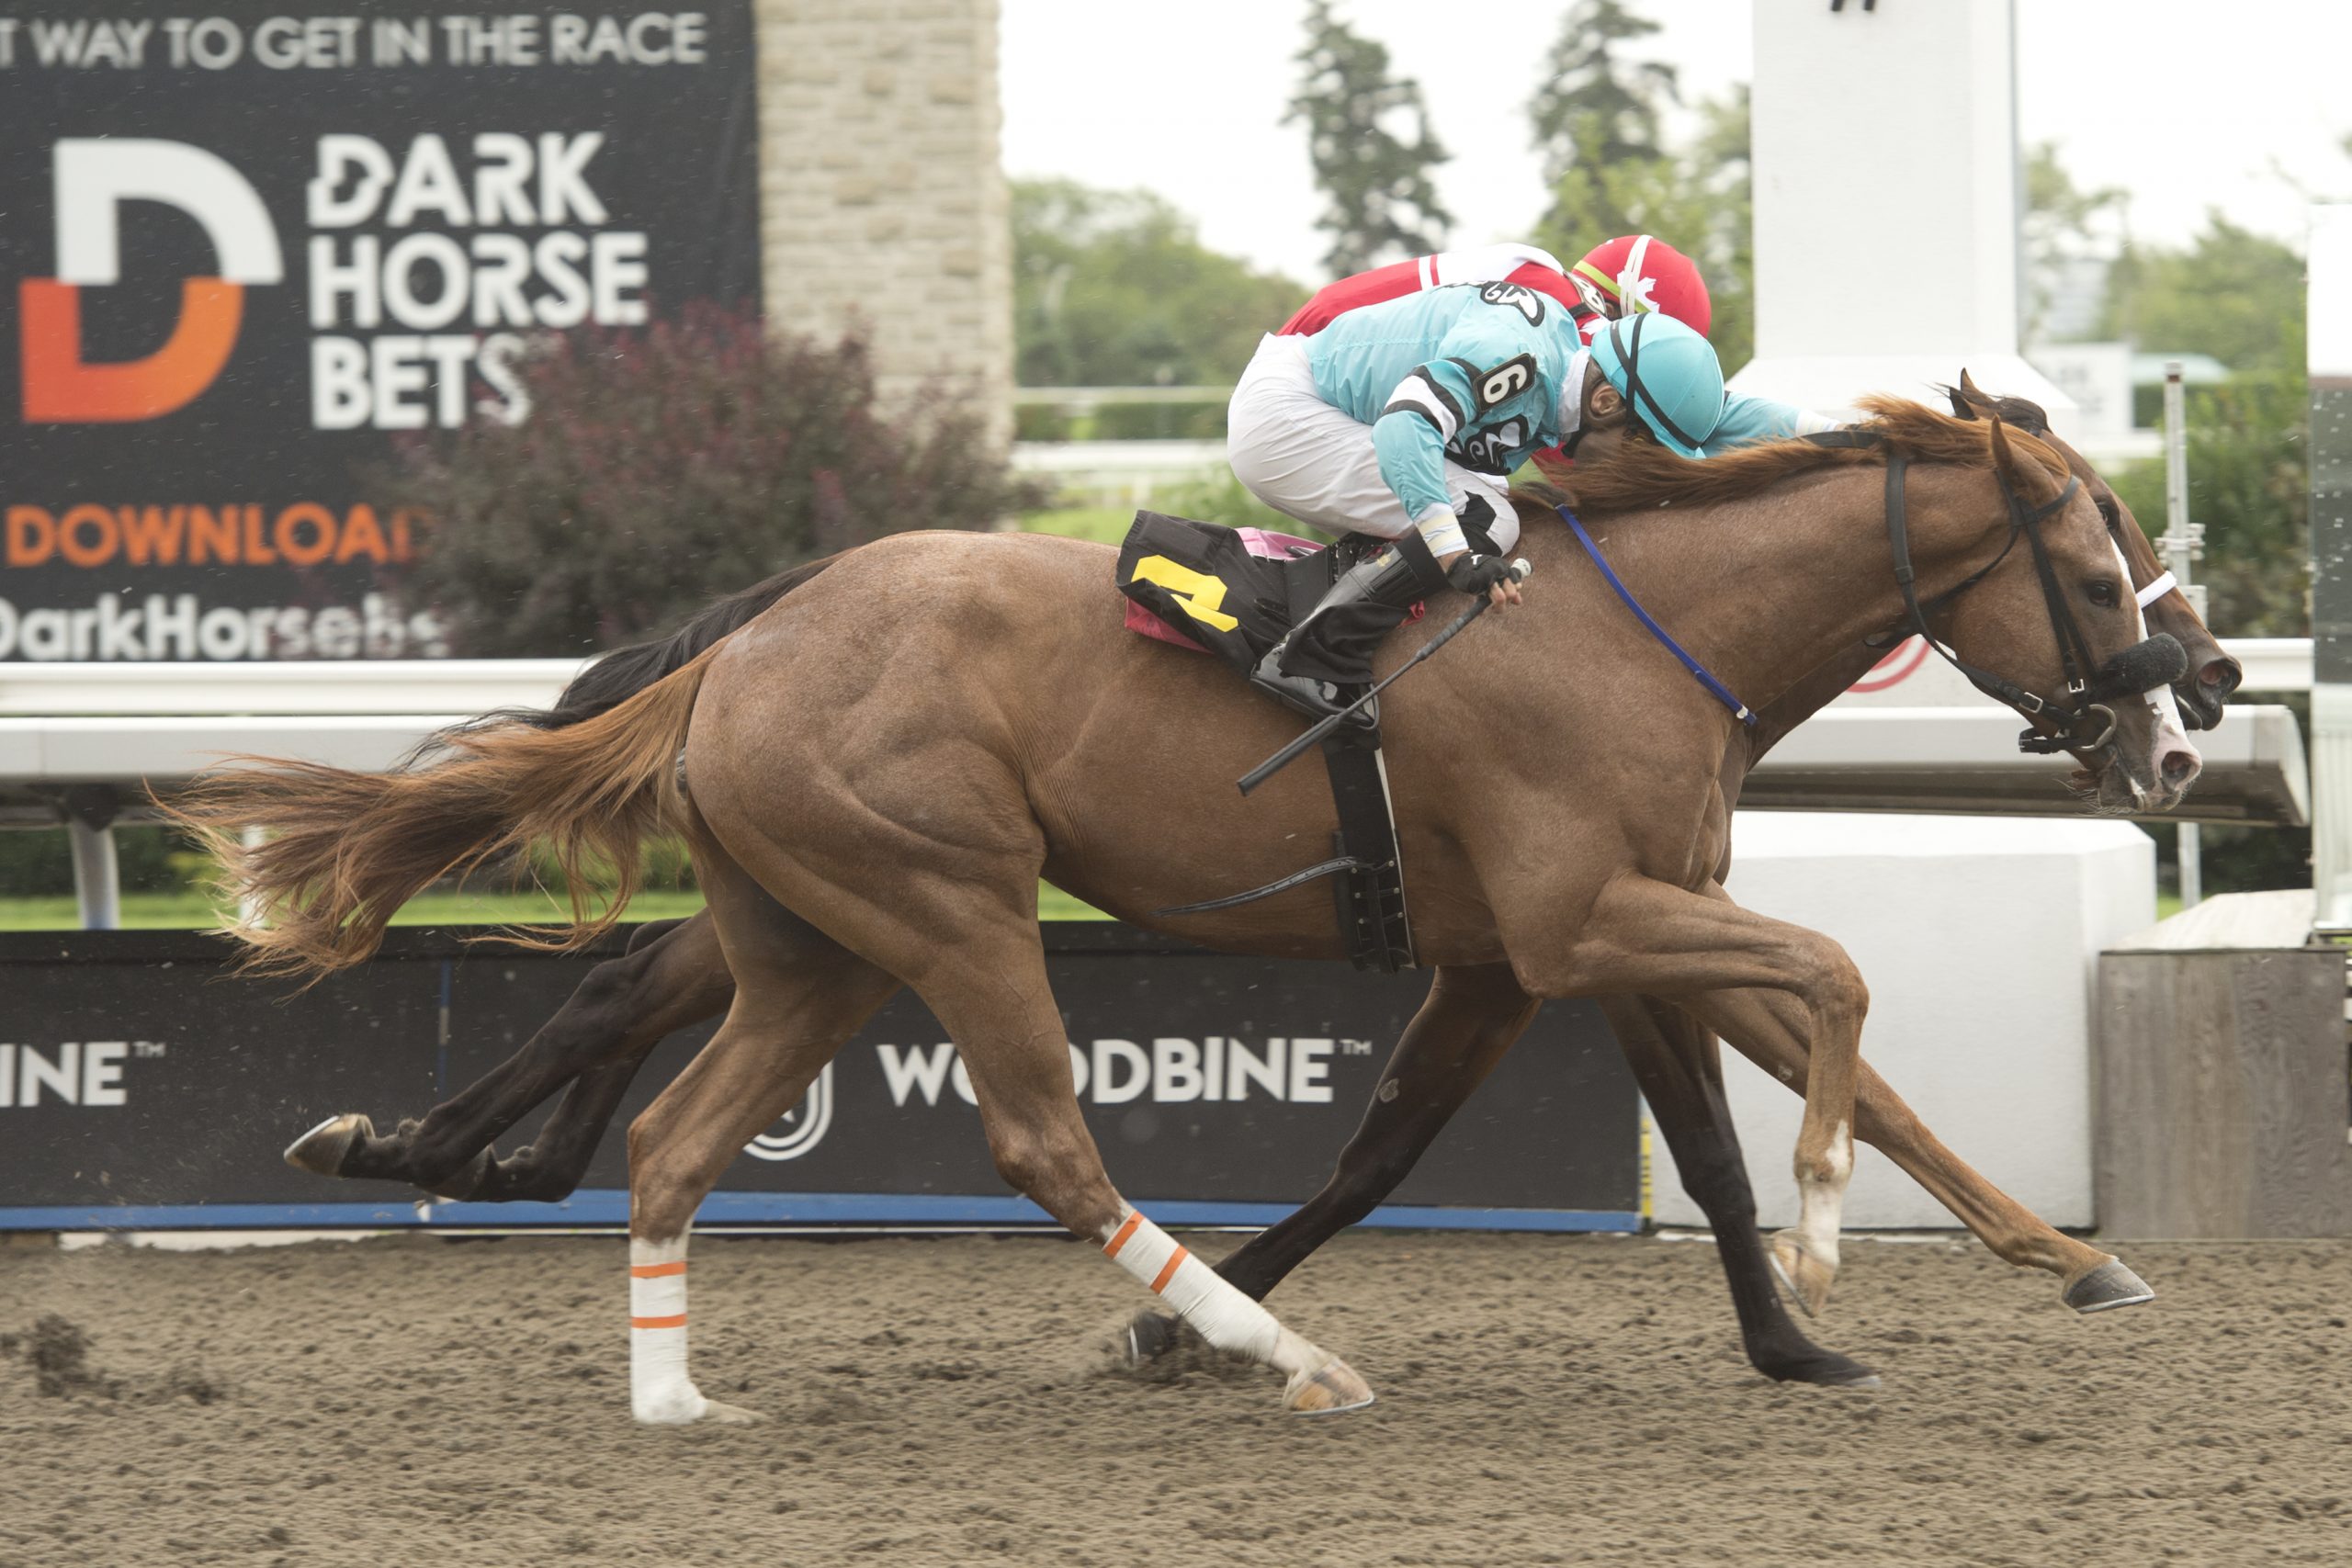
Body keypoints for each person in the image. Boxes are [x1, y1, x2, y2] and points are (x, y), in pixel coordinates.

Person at [1227, 277, 1832, 721]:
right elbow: (1403, 427)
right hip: (1287, 415)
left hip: (1321, 405)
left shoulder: (1592, 372)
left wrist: (1846, 436)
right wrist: (1455, 557)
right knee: (1489, 517)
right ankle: (1310, 655)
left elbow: (1727, 416)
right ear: (1605, 405)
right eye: (1643, 446)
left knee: (1489, 501)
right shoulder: (1519, 360)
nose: (1644, 467)